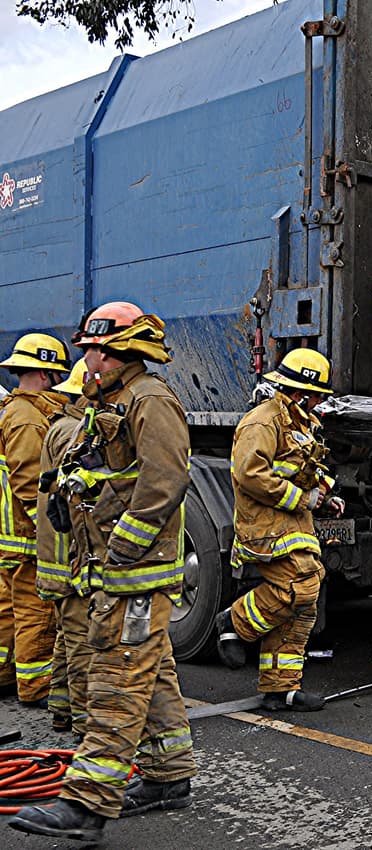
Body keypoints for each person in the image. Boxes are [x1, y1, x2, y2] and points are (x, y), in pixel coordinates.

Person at [10, 303, 196, 842]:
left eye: (96, 349)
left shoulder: (150, 400)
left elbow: (164, 481)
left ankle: (86, 803)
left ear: (123, 352)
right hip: (108, 572)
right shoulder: (107, 402)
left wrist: (121, 547)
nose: (86, 358)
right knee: (152, 671)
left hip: (133, 576)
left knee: (117, 680)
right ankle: (167, 776)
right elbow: (103, 472)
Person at [215, 348, 343, 711]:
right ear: (299, 392)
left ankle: (280, 688)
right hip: (265, 525)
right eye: (317, 395)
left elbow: (306, 474)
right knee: (299, 586)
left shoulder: (304, 425)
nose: (320, 402)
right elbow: (250, 475)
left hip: (293, 522)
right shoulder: (263, 422)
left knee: (305, 603)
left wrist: (325, 498)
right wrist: (304, 499)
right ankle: (234, 621)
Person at [0, 333, 72, 707]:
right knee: (36, 611)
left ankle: (5, 676)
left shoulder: (15, 411)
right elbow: (30, 484)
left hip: (10, 534)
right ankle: (35, 687)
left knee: (7, 609)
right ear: (45, 375)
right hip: (27, 536)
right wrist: (51, 533)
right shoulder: (29, 419)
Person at [36, 358, 89, 733]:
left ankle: (61, 709)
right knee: (83, 640)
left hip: (54, 557)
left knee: (66, 637)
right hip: (67, 557)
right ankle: (88, 724)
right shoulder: (75, 432)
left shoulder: (60, 426)